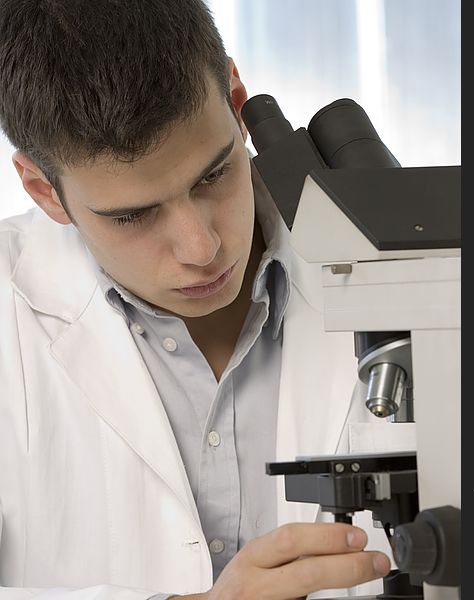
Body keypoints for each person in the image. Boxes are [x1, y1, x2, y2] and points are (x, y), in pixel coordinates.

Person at [0, 1, 412, 598]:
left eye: (213, 175)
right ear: (46, 191)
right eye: (133, 215)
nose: (201, 246)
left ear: (238, 101)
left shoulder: (421, 273)